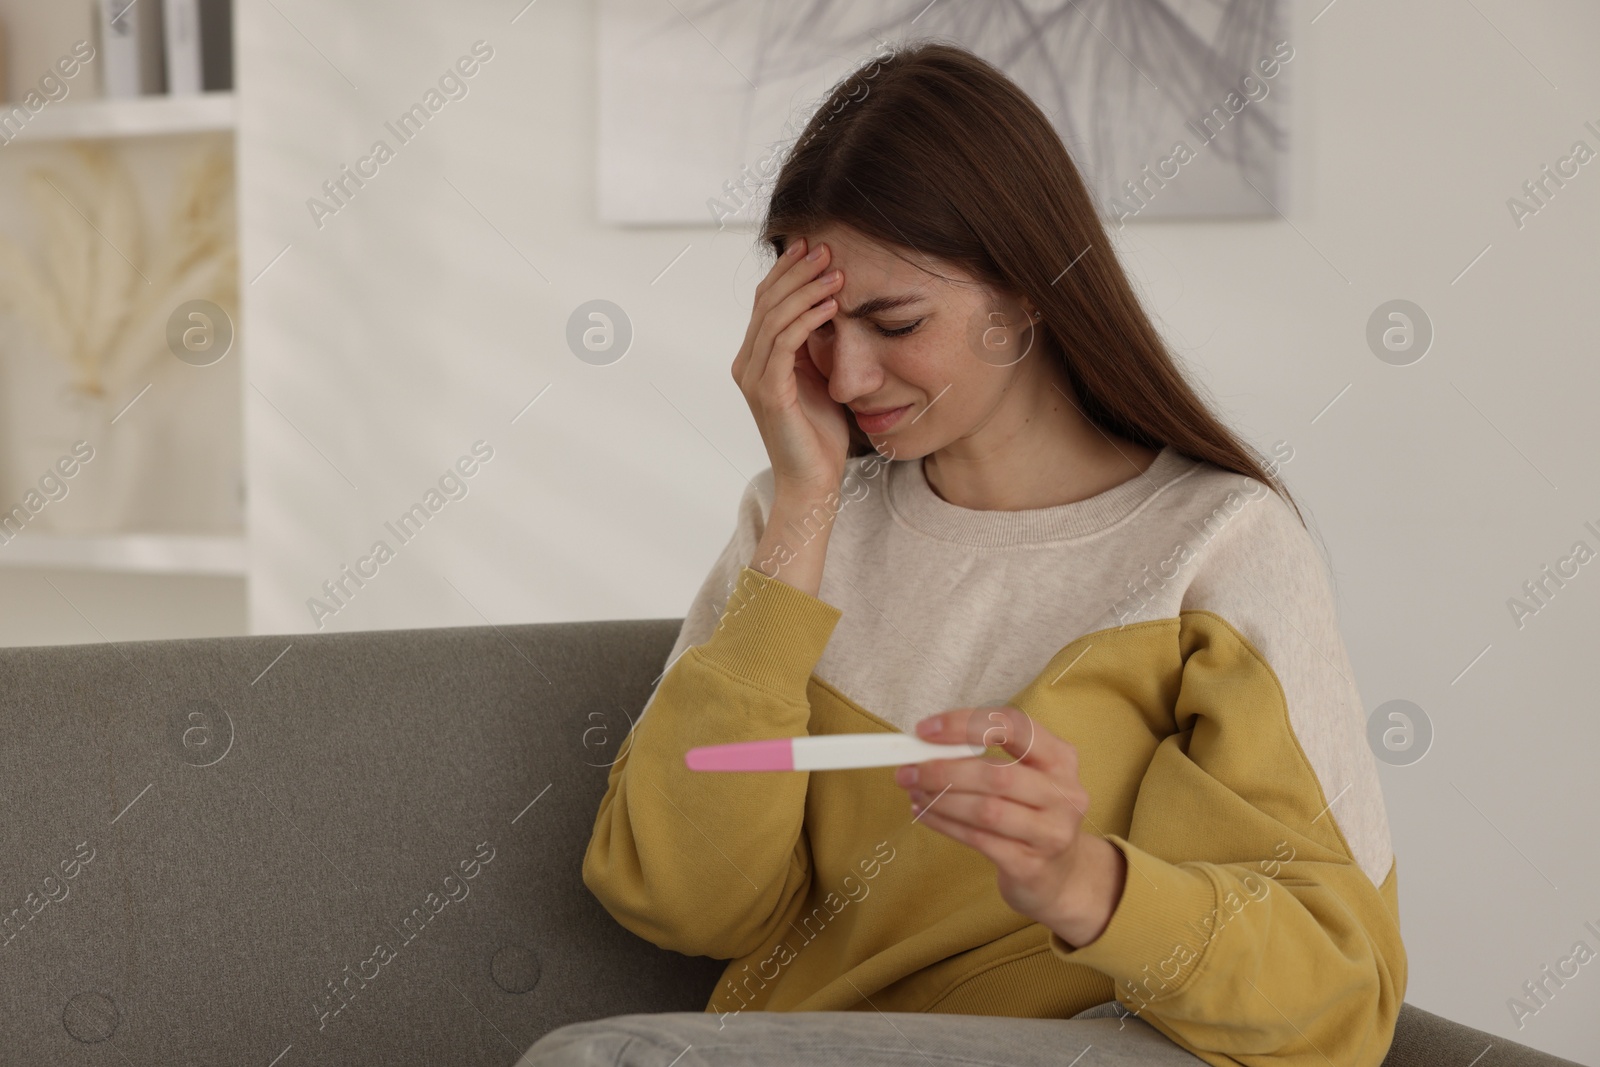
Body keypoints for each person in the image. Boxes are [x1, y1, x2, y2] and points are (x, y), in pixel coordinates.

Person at [521, 40, 1405, 1067]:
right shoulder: (790, 525)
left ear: (1027, 290)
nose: (846, 373)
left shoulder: (1218, 547)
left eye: (894, 320)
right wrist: (807, 503)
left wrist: (1085, 882)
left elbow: (1339, 994)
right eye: (815, 324)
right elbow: (679, 898)